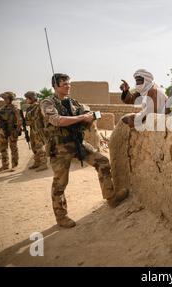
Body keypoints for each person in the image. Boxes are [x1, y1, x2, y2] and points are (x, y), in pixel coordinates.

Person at [40, 73, 128, 228]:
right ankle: (61, 216)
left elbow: (92, 113)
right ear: (54, 86)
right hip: (59, 148)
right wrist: (81, 118)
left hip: (77, 143)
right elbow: (57, 120)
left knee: (102, 161)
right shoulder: (48, 102)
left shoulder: (73, 102)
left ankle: (111, 197)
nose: (68, 86)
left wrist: (93, 116)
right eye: (63, 84)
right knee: (60, 182)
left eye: (69, 84)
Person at [0, 91, 21, 172]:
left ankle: (15, 165)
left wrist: (18, 130)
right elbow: (0, 120)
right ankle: (5, 165)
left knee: (13, 148)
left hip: (12, 131)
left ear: (10, 99)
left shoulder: (14, 108)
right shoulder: (3, 108)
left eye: (5, 98)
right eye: (3, 99)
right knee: (3, 148)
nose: (4, 100)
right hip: (3, 131)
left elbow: (19, 120)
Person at [24, 91, 48, 171]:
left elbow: (45, 118)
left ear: (32, 98)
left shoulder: (39, 107)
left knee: (40, 147)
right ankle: (37, 162)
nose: (26, 100)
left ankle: (44, 164)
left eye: (27, 98)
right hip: (32, 130)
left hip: (39, 130)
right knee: (34, 147)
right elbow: (27, 120)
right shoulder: (29, 108)